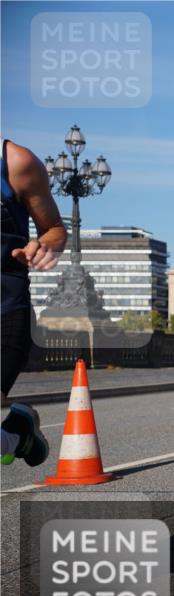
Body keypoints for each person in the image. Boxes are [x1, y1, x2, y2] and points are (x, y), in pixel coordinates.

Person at [1, 139, 67, 468]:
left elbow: (55, 229)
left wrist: (42, 246)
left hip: (6, 311)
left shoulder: (16, 163)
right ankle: (17, 434)